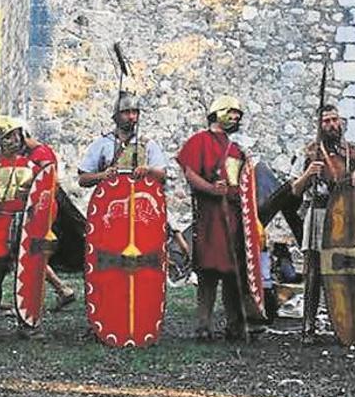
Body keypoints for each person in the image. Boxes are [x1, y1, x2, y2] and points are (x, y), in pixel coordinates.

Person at [288, 104, 355, 344]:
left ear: (341, 122)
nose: (331, 124)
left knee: (347, 270)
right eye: (325, 121)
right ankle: (308, 326)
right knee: (314, 271)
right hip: (318, 212)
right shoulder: (308, 152)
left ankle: (346, 325)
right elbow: (295, 190)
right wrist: (308, 174)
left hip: (347, 217)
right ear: (319, 126)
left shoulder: (354, 154)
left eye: (334, 119)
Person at [0, 116, 54, 344]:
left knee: (26, 273)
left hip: (26, 225)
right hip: (0, 223)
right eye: (9, 135)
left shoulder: (30, 165)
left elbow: (45, 190)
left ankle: (27, 321)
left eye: (17, 134)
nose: (15, 139)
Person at [176, 95, 250, 341]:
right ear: (218, 113)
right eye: (232, 112)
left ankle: (234, 324)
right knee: (208, 271)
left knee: (233, 271)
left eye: (238, 114)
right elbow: (190, 173)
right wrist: (210, 189)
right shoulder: (199, 141)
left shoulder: (237, 150)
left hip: (233, 215)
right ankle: (203, 325)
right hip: (209, 216)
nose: (236, 117)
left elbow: (243, 182)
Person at [22, 131, 76, 311]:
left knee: (33, 251)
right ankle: (61, 289)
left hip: (42, 206)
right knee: (31, 251)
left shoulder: (42, 153)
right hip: (35, 206)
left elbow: (47, 179)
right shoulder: (32, 154)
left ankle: (62, 288)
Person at [77, 91, 167, 187]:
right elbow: (83, 179)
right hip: (111, 198)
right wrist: (102, 176)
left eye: (134, 112)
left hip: (141, 199)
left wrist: (148, 170)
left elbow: (162, 176)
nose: (131, 116)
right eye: (126, 112)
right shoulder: (102, 144)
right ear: (117, 116)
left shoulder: (148, 144)